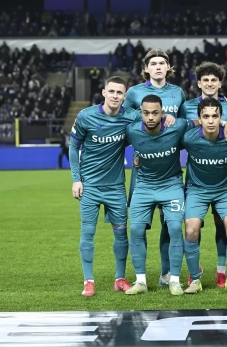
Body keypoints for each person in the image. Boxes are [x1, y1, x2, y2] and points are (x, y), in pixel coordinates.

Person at [126, 94, 227, 296]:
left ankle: (174, 280)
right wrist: (136, 155)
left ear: (162, 113)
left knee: (176, 228)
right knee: (135, 229)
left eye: (155, 113)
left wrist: (226, 123)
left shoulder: (177, 126)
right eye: (146, 113)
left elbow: (201, 121)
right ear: (140, 113)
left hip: (172, 184)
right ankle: (140, 281)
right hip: (144, 186)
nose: (150, 117)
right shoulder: (131, 130)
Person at [69, 76, 140, 297]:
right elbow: (73, 147)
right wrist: (76, 179)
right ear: (104, 92)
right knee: (88, 232)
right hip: (89, 186)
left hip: (115, 187)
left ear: (125, 96)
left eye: (119, 93)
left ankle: (120, 278)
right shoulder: (86, 116)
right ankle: (88, 281)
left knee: (121, 234)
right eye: (112, 91)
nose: (115, 96)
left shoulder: (131, 116)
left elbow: (149, 127)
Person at [123, 49, 183, 288]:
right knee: (140, 225)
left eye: (162, 63)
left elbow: (183, 124)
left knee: (169, 223)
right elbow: (124, 119)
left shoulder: (177, 92)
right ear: (146, 69)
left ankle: (167, 272)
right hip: (143, 167)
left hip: (169, 166)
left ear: (169, 67)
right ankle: (141, 277)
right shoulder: (134, 92)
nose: (158, 67)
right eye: (153, 63)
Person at [179, 62, 227, 288]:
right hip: (196, 183)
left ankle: (223, 272)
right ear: (199, 83)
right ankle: (193, 273)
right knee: (192, 227)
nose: (210, 83)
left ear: (220, 83)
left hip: (223, 182)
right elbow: (176, 132)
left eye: (214, 80)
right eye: (205, 80)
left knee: (224, 225)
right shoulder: (186, 106)